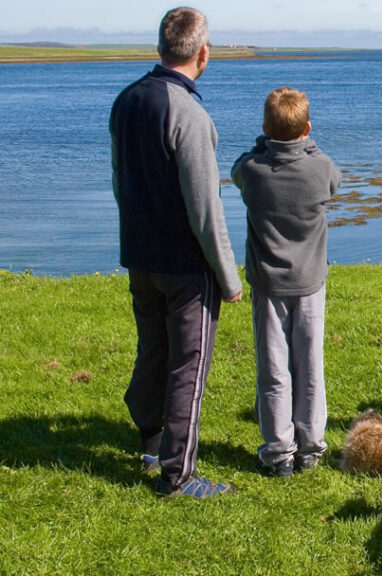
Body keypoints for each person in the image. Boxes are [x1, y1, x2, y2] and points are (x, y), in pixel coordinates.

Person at [110, 7, 242, 498]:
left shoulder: (126, 101)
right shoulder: (189, 114)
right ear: (203, 53)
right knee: (189, 366)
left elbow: (120, 180)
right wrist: (229, 278)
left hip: (140, 254)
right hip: (185, 266)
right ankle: (177, 475)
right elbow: (206, 209)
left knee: (153, 351)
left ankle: (150, 437)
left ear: (163, 45)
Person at [231, 87, 342, 477]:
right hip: (310, 280)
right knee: (310, 365)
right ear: (308, 128)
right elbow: (333, 180)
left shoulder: (253, 171)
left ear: (265, 128)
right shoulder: (320, 168)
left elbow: (238, 167)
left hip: (268, 283)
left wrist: (265, 144)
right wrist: (306, 146)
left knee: (274, 368)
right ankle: (310, 447)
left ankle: (279, 452)